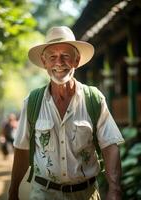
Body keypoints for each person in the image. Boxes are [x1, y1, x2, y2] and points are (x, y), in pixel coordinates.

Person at [9, 26, 124, 200]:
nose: (59, 63)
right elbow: (22, 150)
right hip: (43, 194)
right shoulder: (32, 102)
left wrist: (115, 189)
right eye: (52, 57)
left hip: (86, 194)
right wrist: (12, 191)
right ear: (44, 62)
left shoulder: (93, 99)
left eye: (66, 56)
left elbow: (109, 145)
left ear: (76, 60)